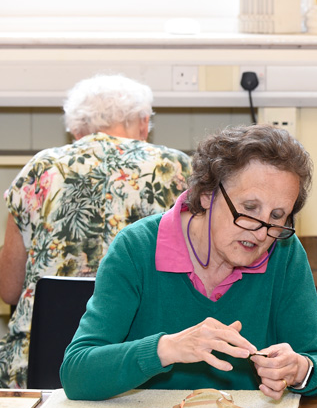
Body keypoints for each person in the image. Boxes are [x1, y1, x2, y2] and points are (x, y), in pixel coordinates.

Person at [60, 124, 317, 401]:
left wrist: (301, 369)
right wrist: (167, 348)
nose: (261, 230)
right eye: (249, 208)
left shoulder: (284, 251)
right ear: (208, 194)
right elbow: (77, 374)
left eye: (278, 215)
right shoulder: (136, 248)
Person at [0, 74, 192, 389]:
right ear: (143, 124)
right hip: (144, 361)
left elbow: (8, 289)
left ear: (76, 130)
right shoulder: (177, 168)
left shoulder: (40, 169)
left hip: (39, 364)